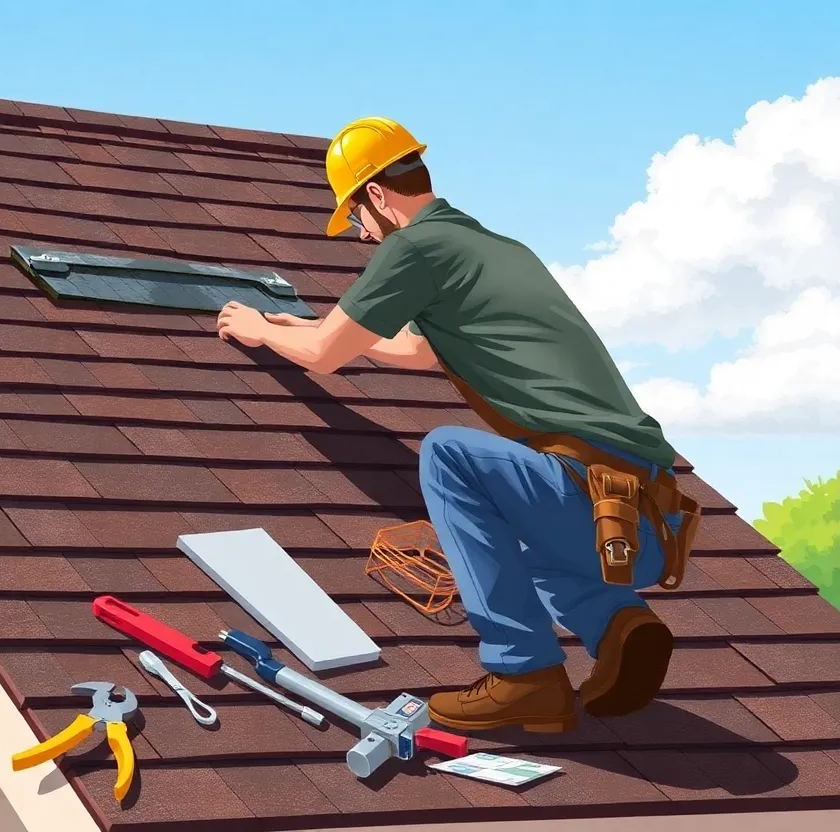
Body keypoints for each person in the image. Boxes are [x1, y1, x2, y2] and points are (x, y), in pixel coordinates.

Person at [215, 116, 702, 734]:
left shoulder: (413, 246)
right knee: (516, 532)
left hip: (589, 502)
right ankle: (618, 623)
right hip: (640, 524)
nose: (362, 236)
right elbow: (417, 349)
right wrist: (299, 327)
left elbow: (327, 358)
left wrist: (260, 330)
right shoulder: (495, 248)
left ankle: (524, 672)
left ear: (377, 196)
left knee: (449, 453)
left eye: (357, 218)